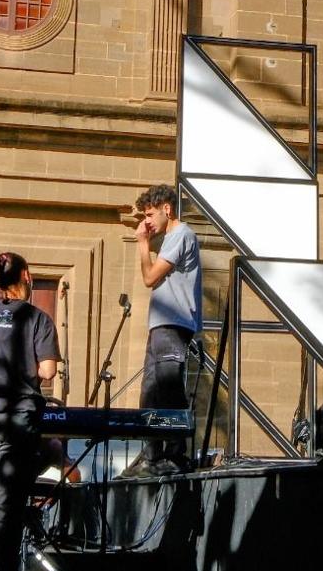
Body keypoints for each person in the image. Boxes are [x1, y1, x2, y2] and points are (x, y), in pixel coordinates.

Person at [0, 252, 60, 571]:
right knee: (8, 506)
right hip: (18, 421)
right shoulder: (38, 319)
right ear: (25, 276)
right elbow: (48, 371)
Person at [119, 184, 202, 478]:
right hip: (161, 325)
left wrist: (142, 244)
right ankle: (151, 455)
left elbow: (150, 277)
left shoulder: (181, 234)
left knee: (168, 387)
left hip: (174, 323)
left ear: (167, 208)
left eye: (151, 214)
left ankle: (175, 454)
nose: (147, 222)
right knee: (150, 391)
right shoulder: (171, 237)